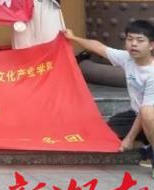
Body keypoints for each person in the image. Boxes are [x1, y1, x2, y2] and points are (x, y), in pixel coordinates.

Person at [66, 22, 154, 173]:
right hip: (138, 114)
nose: (133, 44)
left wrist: (129, 138)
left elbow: (144, 112)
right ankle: (147, 144)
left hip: (148, 114)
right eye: (130, 39)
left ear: (151, 45)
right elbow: (99, 47)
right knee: (106, 133)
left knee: (146, 112)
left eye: (140, 40)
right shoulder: (127, 58)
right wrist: (74, 38)